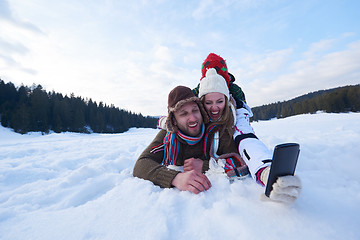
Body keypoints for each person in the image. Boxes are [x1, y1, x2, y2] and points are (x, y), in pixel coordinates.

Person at [133, 85, 244, 194]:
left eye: (195, 110)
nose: (193, 118)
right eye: (184, 114)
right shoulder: (168, 137)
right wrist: (176, 178)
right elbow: (141, 164)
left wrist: (205, 165)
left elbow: (240, 162)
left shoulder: (216, 133)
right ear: (174, 120)